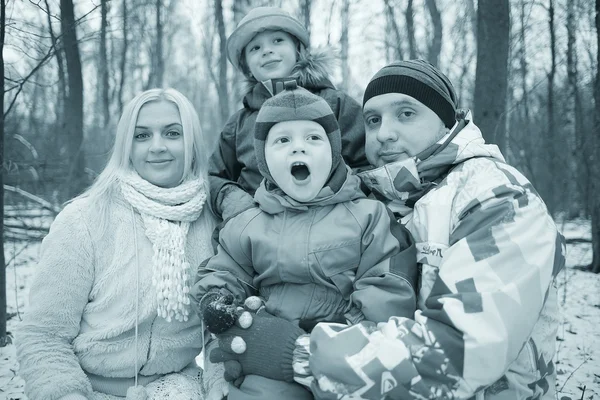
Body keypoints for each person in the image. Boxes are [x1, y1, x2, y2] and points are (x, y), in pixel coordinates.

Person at [208, 60, 566, 399]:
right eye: (373, 120)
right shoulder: (382, 200)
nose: (384, 134)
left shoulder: (495, 197)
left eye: (406, 114)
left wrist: (298, 354)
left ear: (448, 121)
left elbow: (461, 350)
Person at [192, 84, 418, 400]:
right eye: (283, 140)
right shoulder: (249, 223)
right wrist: (218, 300)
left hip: (348, 354)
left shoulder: (368, 215)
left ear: (333, 151)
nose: (299, 149)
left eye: (313, 138)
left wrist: (339, 338)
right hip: (268, 355)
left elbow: (387, 289)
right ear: (265, 160)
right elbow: (226, 270)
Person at [15, 88, 218, 400]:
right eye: (142, 136)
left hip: (180, 388)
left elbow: (222, 332)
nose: (158, 147)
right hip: (88, 390)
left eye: (172, 133)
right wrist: (67, 394)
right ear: (127, 145)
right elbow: (44, 335)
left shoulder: (214, 221)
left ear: (191, 142)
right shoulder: (84, 219)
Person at [209, 6, 368, 222]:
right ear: (246, 67)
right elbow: (215, 176)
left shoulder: (335, 103)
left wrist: (344, 193)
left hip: (332, 226)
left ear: (298, 49)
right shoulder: (238, 124)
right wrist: (236, 203)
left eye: (277, 41)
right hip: (261, 230)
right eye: (255, 48)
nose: (267, 51)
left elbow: (366, 161)